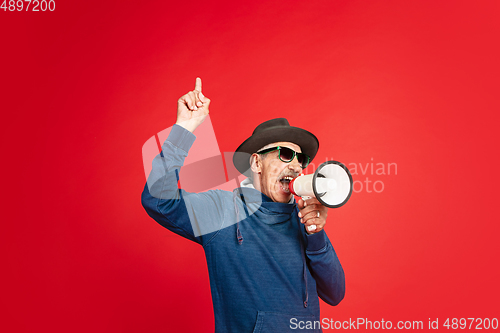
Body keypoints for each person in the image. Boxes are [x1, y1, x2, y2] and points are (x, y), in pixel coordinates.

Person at [141, 78, 345, 332]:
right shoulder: (222, 210)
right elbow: (158, 199)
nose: (295, 165)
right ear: (257, 163)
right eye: (285, 154)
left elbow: (335, 293)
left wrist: (316, 235)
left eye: (301, 159)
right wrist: (184, 128)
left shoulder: (304, 220)